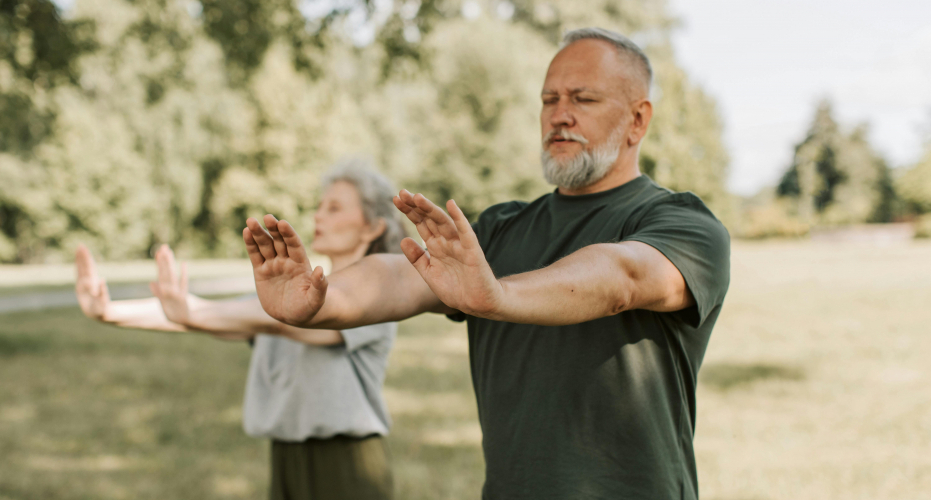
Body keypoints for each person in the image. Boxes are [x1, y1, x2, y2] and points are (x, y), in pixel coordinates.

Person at [241, 28, 731, 499]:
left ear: (638, 120)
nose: (560, 115)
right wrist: (321, 303)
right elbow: (400, 275)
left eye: (583, 99)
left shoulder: (684, 224)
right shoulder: (501, 229)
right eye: (549, 100)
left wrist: (499, 296)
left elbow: (624, 276)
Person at [75, 160, 407, 500]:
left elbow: (275, 322)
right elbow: (219, 317)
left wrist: (190, 311)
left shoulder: (376, 298)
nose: (318, 216)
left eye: (334, 208)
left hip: (347, 463)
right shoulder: (288, 297)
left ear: (372, 227)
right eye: (320, 205)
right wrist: (109, 311)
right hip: (285, 455)